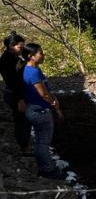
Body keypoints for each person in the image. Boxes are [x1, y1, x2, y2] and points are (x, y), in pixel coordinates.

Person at [21, 44, 63, 178]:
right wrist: (54, 104)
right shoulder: (32, 72)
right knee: (43, 142)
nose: (43, 55)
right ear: (31, 56)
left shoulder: (31, 69)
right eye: (40, 53)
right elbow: (43, 94)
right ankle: (48, 170)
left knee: (40, 141)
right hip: (40, 111)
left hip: (34, 108)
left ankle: (44, 166)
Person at [0, 32, 31, 153]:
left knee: (23, 119)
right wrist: (20, 99)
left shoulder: (13, 57)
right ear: (11, 46)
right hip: (15, 95)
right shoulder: (7, 60)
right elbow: (13, 81)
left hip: (18, 93)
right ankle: (24, 146)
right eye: (20, 47)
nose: (22, 50)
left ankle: (25, 143)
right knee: (21, 120)